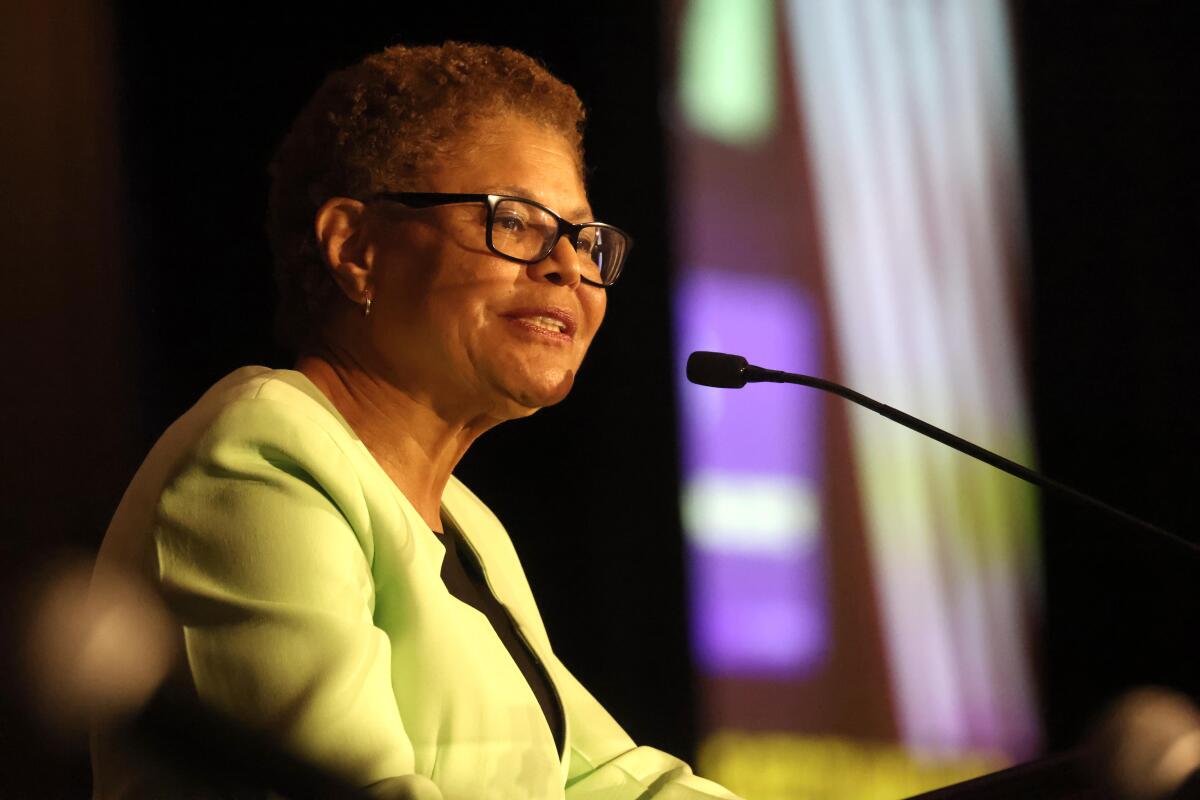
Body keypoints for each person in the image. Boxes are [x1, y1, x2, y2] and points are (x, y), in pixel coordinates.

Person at [91, 41, 739, 800]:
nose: (568, 266)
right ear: (355, 249)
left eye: (584, 239)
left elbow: (608, 780)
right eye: (516, 221)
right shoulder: (260, 459)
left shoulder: (470, 527)